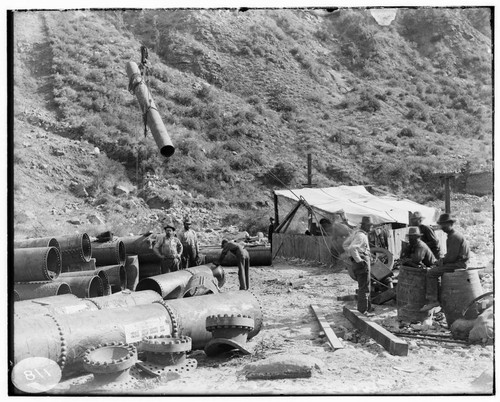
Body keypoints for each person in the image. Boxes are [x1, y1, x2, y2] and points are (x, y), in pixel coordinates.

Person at [420, 213, 470, 312]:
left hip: (459, 264)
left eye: (444, 224)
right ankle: (440, 300)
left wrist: (441, 261)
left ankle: (433, 300)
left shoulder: (454, 237)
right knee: (436, 270)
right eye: (441, 225)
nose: (442, 227)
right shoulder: (452, 235)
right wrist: (441, 261)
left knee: (431, 273)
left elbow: (451, 258)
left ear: (451, 224)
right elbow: (451, 256)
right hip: (457, 262)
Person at [346, 216, 374, 314]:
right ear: (365, 225)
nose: (371, 227)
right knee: (364, 287)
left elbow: (346, 245)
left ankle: (367, 307)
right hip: (362, 263)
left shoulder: (358, 234)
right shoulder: (361, 236)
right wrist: (359, 260)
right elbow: (352, 248)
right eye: (370, 225)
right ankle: (363, 310)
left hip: (361, 261)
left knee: (365, 285)